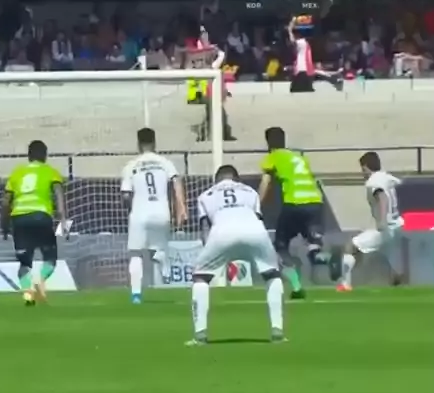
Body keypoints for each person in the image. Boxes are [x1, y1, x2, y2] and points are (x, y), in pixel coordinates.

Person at [187, 165, 285, 345]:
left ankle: (200, 334)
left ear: (216, 180)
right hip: (255, 231)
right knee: (272, 274)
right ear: (237, 179)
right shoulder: (250, 192)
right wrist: (269, 251)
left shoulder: (205, 195)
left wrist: (208, 254)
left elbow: (205, 228)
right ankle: (277, 330)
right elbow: (258, 217)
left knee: (201, 277)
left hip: (222, 232)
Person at [258, 127, 334, 300]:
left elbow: (266, 183)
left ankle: (296, 285)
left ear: (268, 142)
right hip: (315, 202)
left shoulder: (273, 157)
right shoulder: (299, 157)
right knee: (313, 247)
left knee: (280, 246)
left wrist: (257, 206)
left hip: (294, 203)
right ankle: (330, 259)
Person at [120, 128, 188, 304]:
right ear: (155, 142)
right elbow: (176, 182)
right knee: (159, 249)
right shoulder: (165, 162)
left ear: (138, 144)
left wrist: (129, 207)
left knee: (136, 253)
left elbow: (126, 195)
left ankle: (136, 295)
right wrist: (181, 207)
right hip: (161, 212)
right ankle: (162, 264)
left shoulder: (131, 165)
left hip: (140, 213)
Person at [2, 140, 69, 306]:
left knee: (25, 262)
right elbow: (58, 194)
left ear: (28, 155)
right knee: (50, 257)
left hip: (19, 217)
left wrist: (4, 223)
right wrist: (62, 219)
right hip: (41, 216)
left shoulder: (17, 173)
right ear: (45, 155)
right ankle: (40, 280)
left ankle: (28, 295)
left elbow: (5, 202)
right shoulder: (51, 171)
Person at [335, 152, 404, 291]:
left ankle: (345, 284)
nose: (362, 173)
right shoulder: (386, 177)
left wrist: (382, 220)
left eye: (362, 169)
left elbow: (382, 198)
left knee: (351, 246)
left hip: (386, 227)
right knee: (393, 262)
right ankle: (397, 281)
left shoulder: (373, 182)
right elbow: (397, 183)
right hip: (397, 225)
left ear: (366, 167)